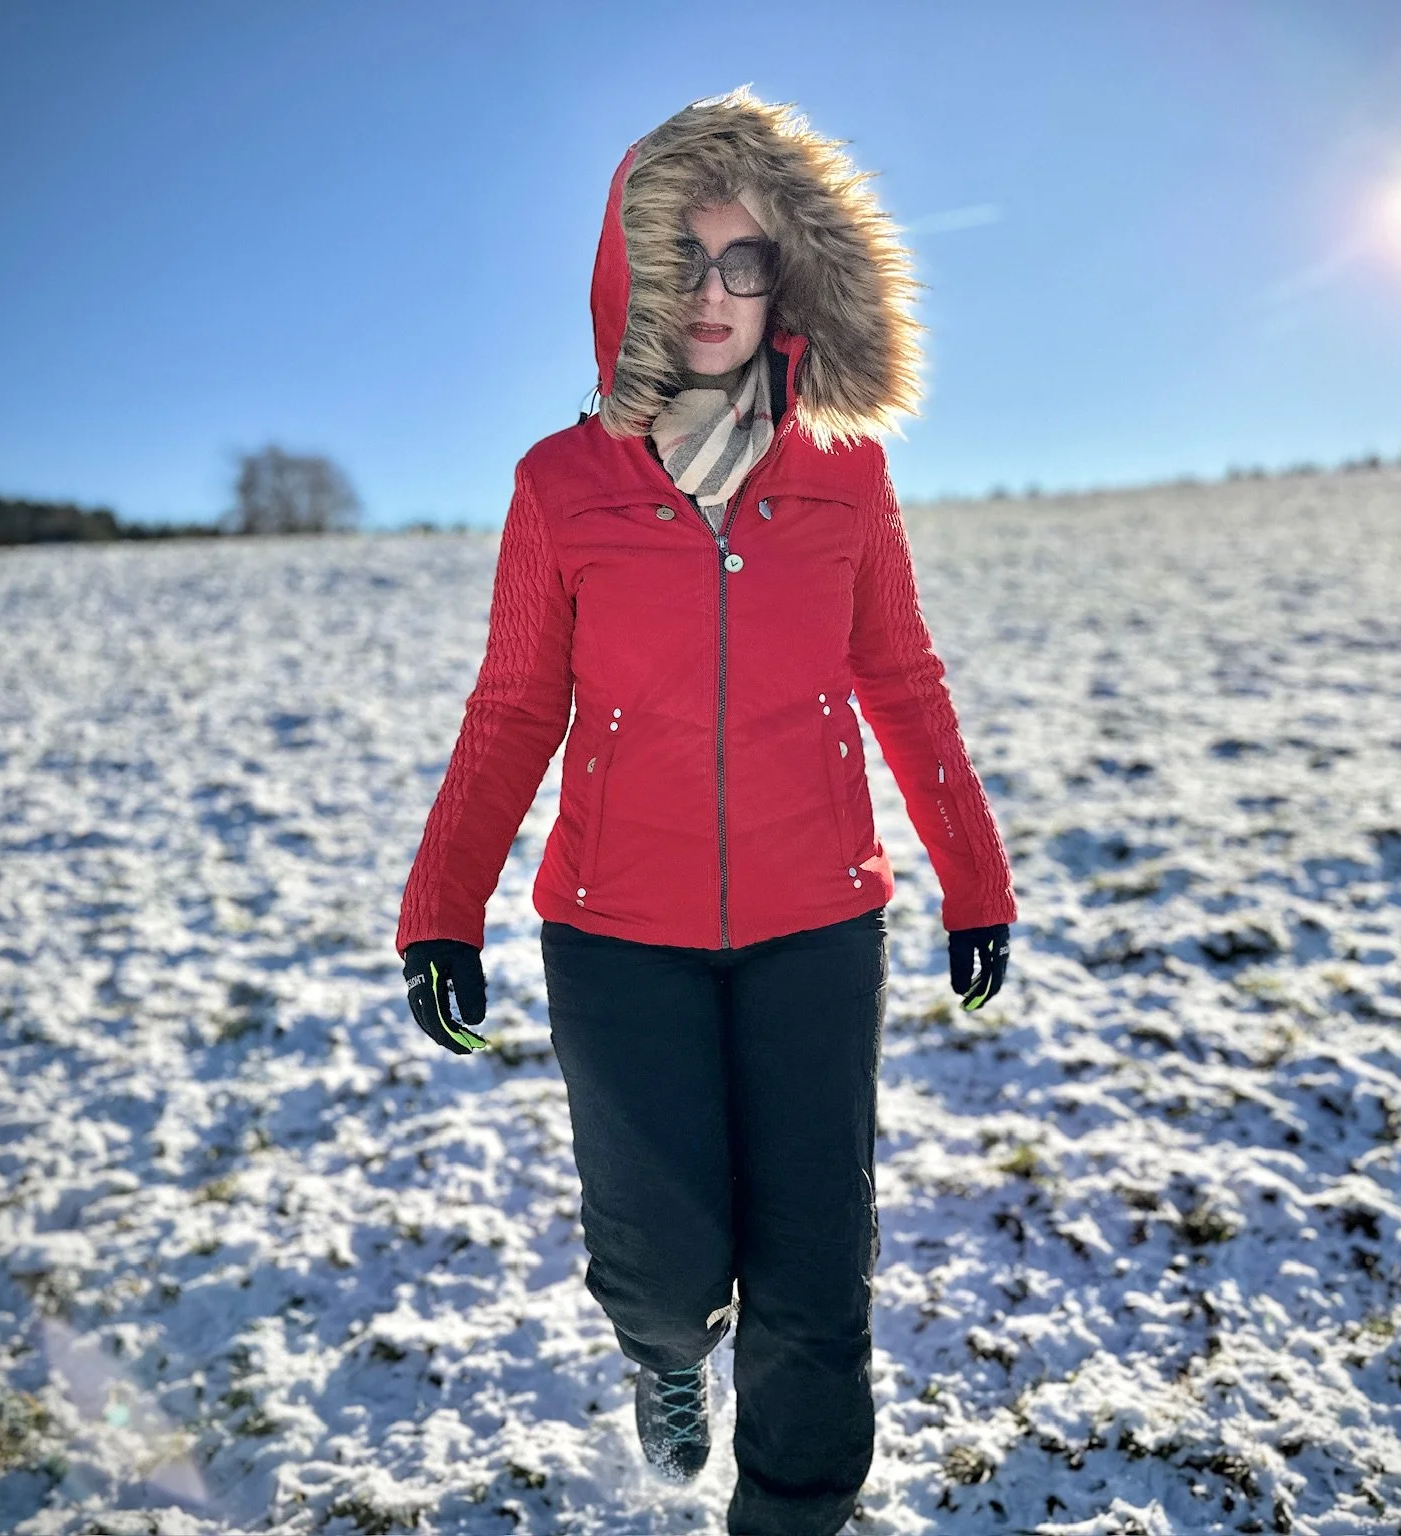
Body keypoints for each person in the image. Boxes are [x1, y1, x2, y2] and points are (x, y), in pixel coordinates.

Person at [395, 88, 1017, 1535]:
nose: (716, 292)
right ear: (631, 277)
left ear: (788, 277)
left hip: (818, 927)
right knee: (666, 1266)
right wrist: (441, 913)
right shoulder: (562, 485)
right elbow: (512, 709)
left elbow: (902, 680)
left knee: (815, 1284)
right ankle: (663, 1351)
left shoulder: (847, 474)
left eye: (745, 261)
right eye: (684, 258)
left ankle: (790, 1511)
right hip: (619, 937)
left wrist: (975, 880)